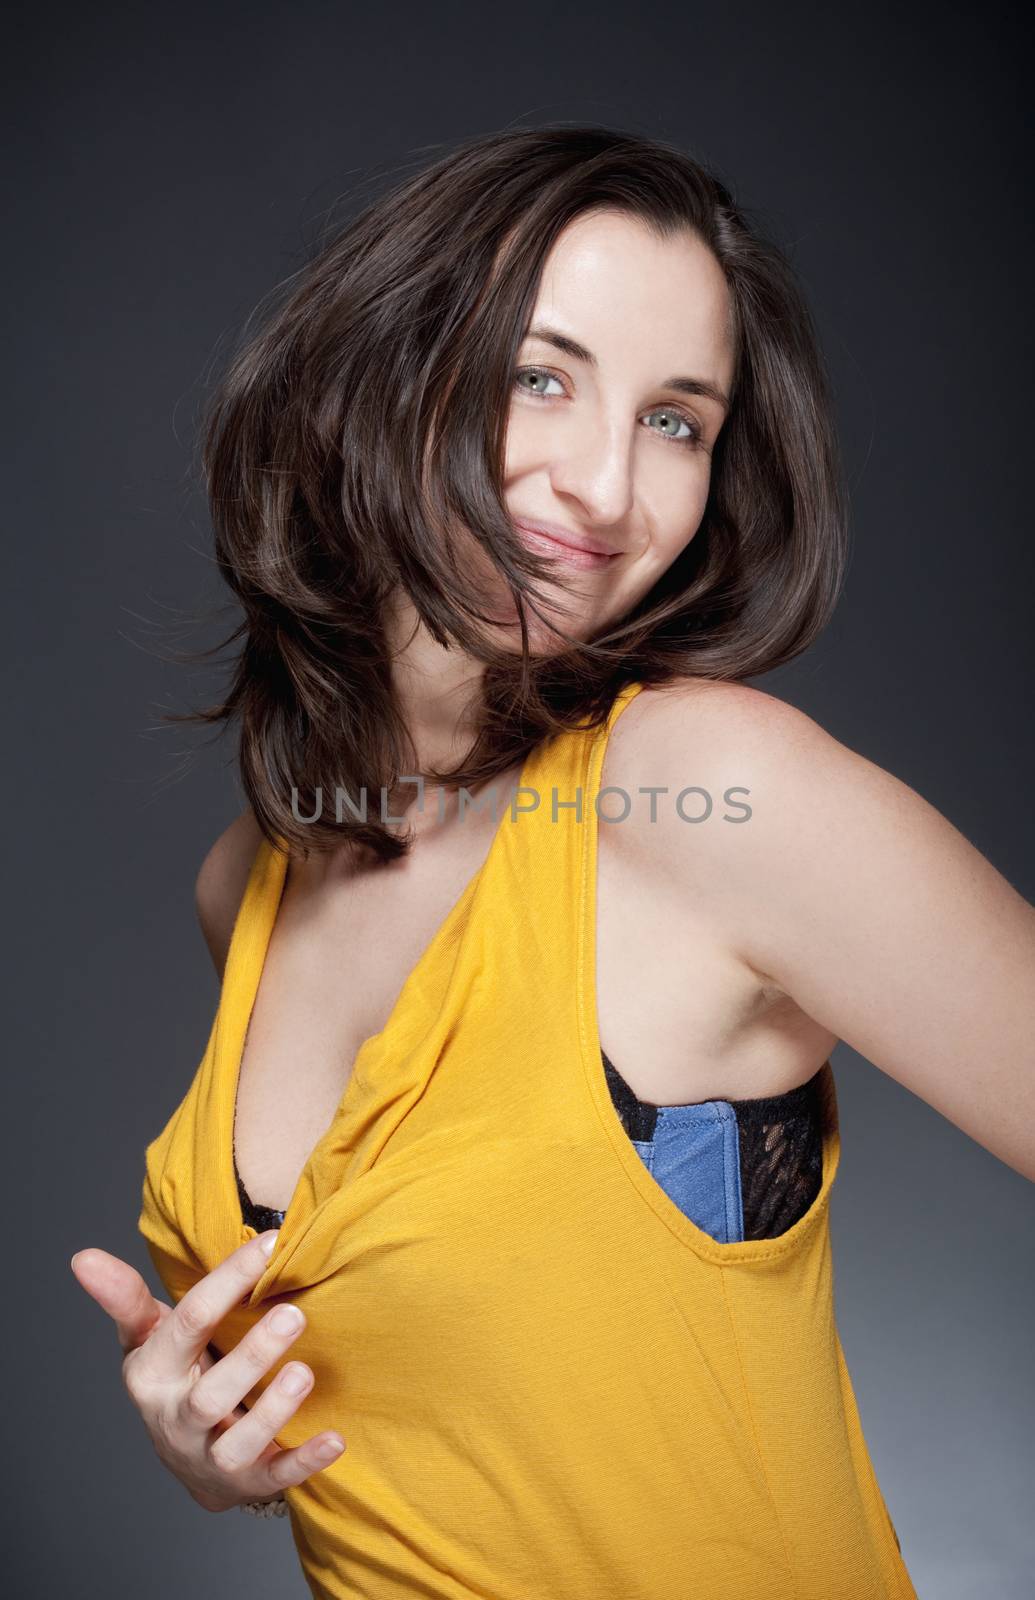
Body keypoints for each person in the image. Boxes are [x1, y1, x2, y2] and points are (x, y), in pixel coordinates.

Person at [70, 125, 1034, 1599]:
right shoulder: (250, 882)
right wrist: (217, 1442)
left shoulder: (704, 792)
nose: (605, 486)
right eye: (543, 378)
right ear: (378, 379)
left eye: (678, 423)